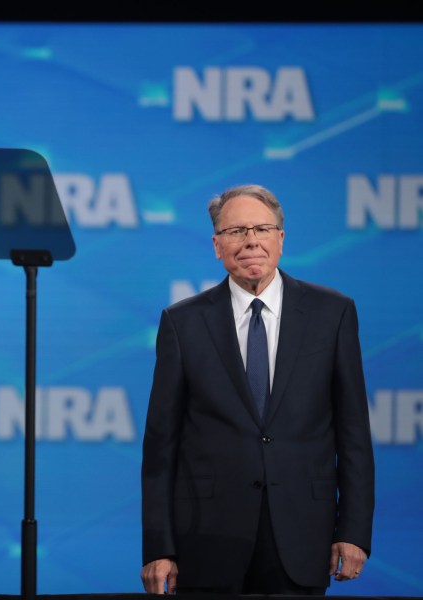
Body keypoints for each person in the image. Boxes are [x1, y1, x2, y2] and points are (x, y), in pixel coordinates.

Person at [140, 184, 374, 595]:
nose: (250, 241)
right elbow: (161, 448)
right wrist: (159, 546)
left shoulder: (332, 313)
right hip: (208, 540)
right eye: (235, 232)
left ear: (280, 239)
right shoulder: (183, 323)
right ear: (216, 245)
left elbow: (353, 434)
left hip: (302, 535)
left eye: (261, 229)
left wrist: (353, 530)